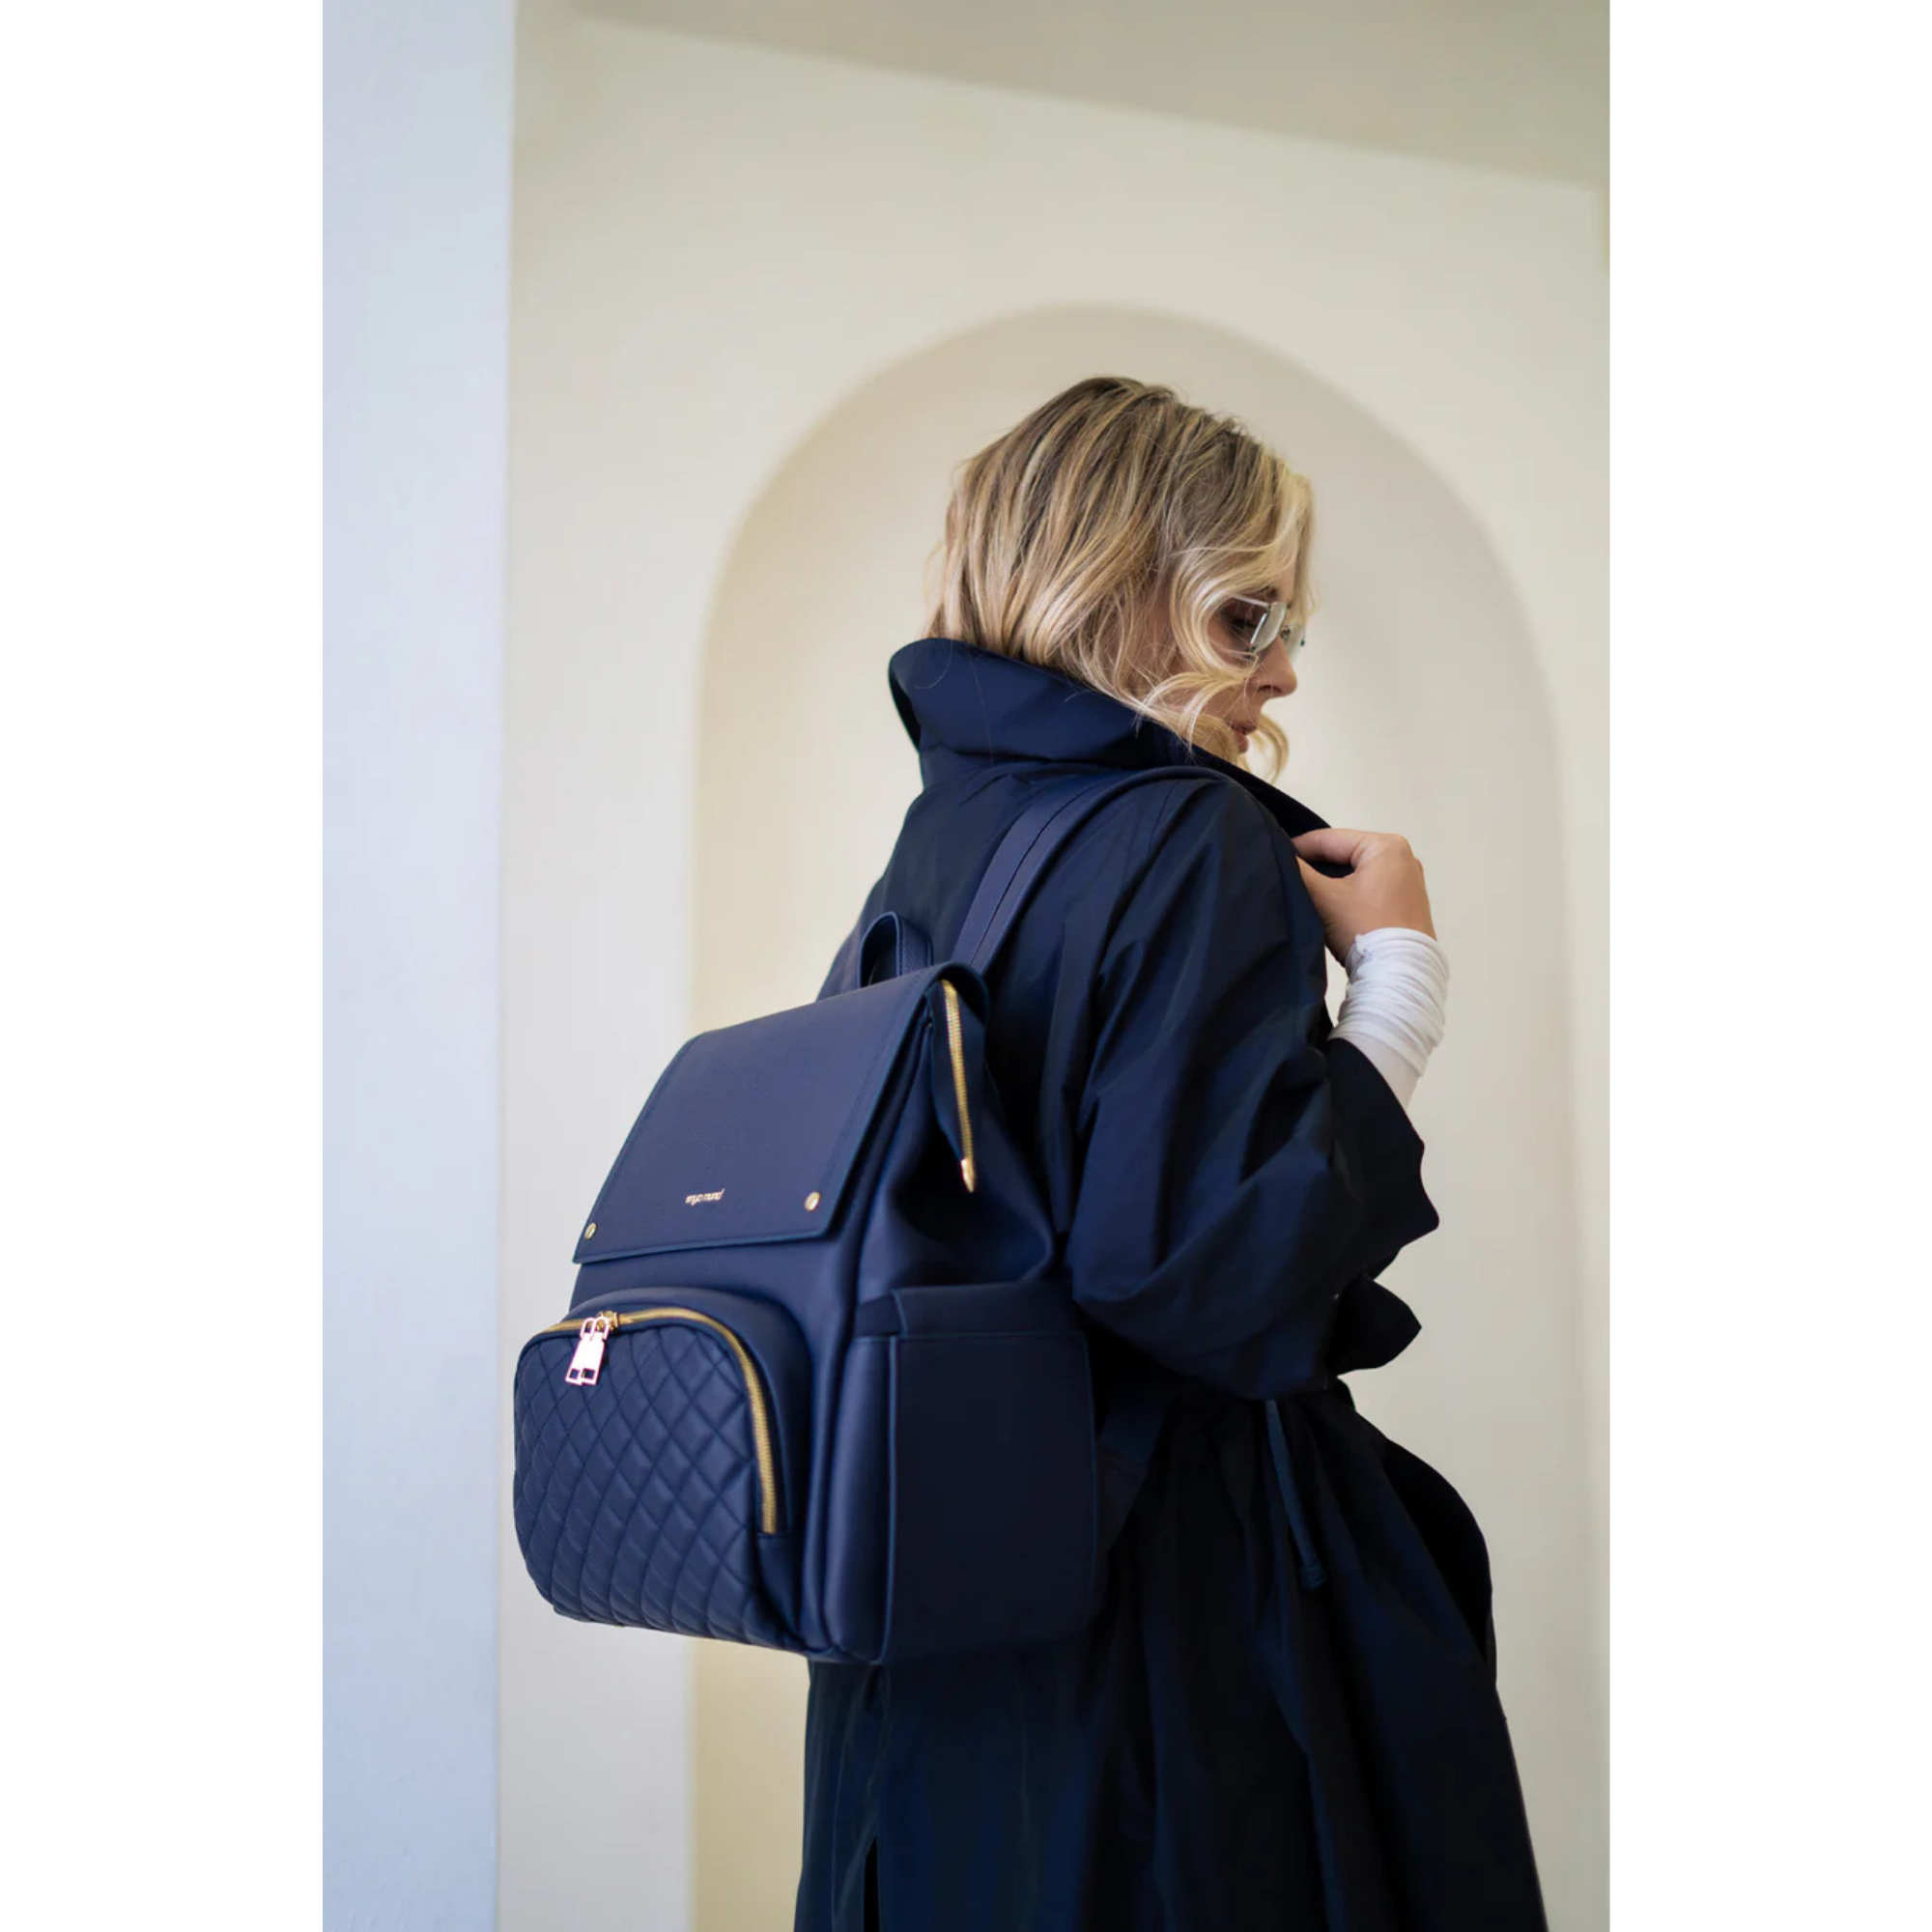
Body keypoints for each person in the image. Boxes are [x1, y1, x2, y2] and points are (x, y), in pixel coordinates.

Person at [795, 376, 1547, 1932]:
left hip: (937, 1600)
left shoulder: (948, 843)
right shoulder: (1187, 834)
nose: (1282, 671)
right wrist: (1398, 990)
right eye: (1249, 614)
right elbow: (1199, 1272)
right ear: (1127, 589)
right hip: (1164, 1610)